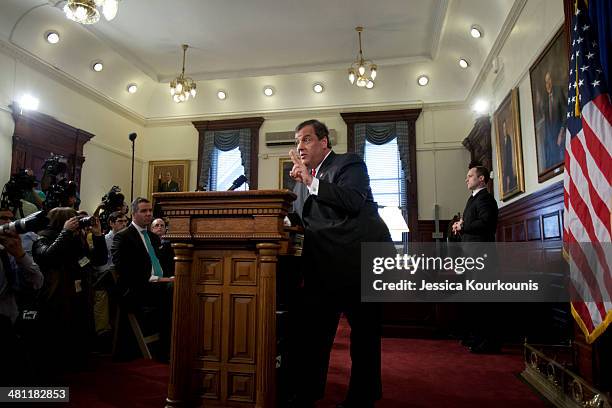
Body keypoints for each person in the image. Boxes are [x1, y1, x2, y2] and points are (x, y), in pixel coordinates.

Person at [288, 120, 392, 408]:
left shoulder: (349, 164)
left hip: (358, 263)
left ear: (324, 142)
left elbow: (352, 202)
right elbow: (302, 222)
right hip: (321, 265)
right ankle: (308, 392)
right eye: (298, 141)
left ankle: (363, 396)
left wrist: (310, 180)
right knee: (315, 334)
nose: (300, 146)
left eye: (307, 139)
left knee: (364, 337)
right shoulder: (299, 184)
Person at [32, 207, 107, 377]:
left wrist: (97, 235)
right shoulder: (44, 237)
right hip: (56, 294)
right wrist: (65, 232)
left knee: (79, 327)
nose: (79, 224)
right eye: (74, 220)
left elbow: (98, 260)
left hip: (79, 292)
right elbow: (47, 256)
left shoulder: (76, 239)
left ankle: (78, 361)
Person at [111, 198, 173, 361]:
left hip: (156, 285)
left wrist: (167, 277)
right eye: (144, 211)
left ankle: (176, 343)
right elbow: (125, 272)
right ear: (133, 214)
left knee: (179, 286)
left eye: (150, 211)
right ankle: (165, 349)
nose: (148, 214)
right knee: (172, 290)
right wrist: (158, 280)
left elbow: (160, 264)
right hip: (136, 288)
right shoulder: (123, 237)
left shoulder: (153, 237)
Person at [452, 166, 500, 353]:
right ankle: (476, 338)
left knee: (483, 301)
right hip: (471, 256)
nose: (466, 179)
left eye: (470, 176)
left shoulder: (486, 198)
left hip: (481, 257)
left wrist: (464, 227)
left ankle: (488, 343)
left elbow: (486, 223)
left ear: (481, 179)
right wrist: (460, 225)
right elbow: (472, 222)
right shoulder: (473, 199)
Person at [0, 207, 43, 385]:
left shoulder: (15, 249)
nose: (8, 224)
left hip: (11, 321)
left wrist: (20, 255)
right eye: (3, 219)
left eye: (11, 219)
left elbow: (38, 281)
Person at [539, 71, 566, 170]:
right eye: (546, 82)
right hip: (551, 139)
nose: (548, 84)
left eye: (549, 80)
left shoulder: (559, 92)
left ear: (553, 81)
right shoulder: (545, 101)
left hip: (561, 134)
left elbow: (565, 113)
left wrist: (561, 132)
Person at [501, 120, 517, 193]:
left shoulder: (508, 138)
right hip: (504, 164)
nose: (505, 130)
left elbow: (509, 153)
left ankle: (509, 189)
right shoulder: (501, 141)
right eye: (503, 128)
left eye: (505, 128)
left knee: (510, 179)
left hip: (509, 163)